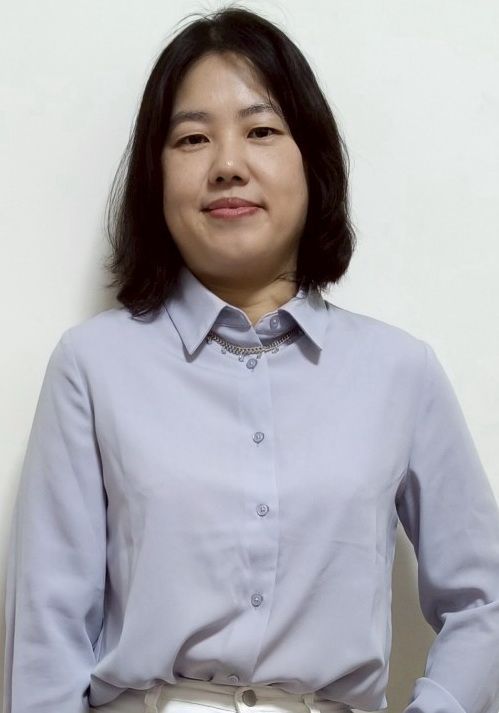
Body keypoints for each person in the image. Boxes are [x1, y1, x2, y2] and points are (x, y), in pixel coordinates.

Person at [3, 5, 499, 713]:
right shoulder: (92, 366)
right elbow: (46, 639)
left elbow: (484, 598)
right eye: (192, 139)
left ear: (311, 160)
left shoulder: (400, 372)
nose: (228, 166)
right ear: (155, 175)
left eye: (261, 131)